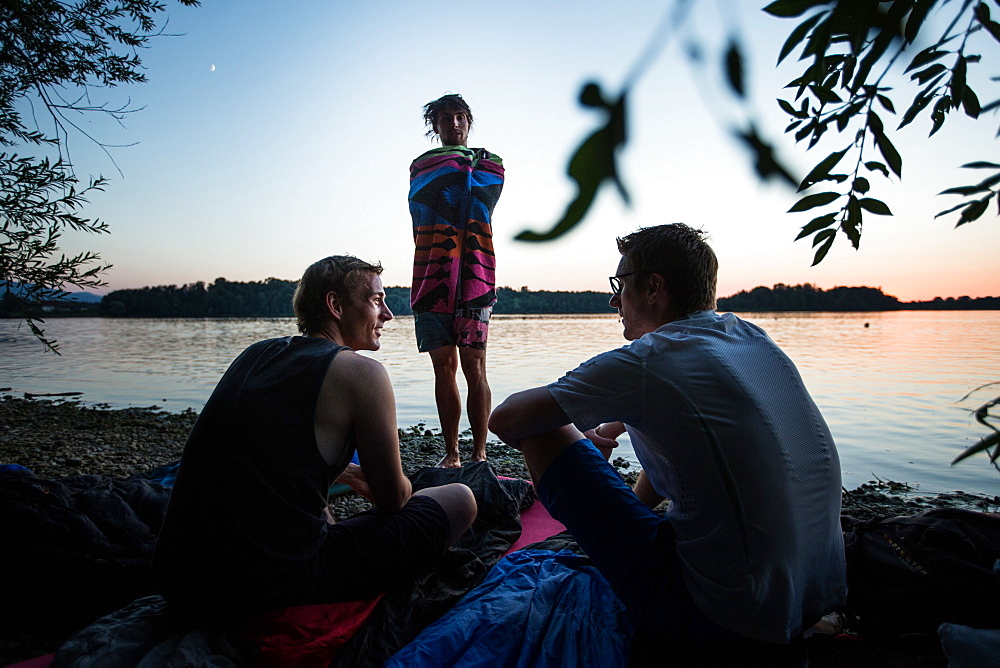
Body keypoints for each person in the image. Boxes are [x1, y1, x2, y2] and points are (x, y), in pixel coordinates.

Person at [489, 224, 846, 660]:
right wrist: (618, 423)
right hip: (814, 600)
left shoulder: (649, 359)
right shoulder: (748, 336)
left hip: (724, 621)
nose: (613, 300)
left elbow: (505, 419)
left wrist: (582, 435)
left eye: (620, 285)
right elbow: (690, 436)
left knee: (544, 429)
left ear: (654, 287)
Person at [153, 255, 477, 624]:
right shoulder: (362, 373)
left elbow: (265, 446)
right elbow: (391, 500)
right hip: (259, 589)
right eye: (376, 300)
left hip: (177, 578)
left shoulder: (257, 354)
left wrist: (347, 473)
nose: (388, 314)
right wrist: (404, 485)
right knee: (459, 498)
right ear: (335, 306)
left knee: (321, 504)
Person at [409, 93, 504, 468]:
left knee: (475, 367)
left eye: (460, 116)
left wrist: (461, 166)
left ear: (469, 122)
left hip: (475, 275)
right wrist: (456, 167)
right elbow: (423, 206)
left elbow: (482, 198)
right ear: (435, 126)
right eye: (445, 118)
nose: (454, 123)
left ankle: (479, 453)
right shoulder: (420, 166)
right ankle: (452, 452)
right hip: (431, 272)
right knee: (442, 366)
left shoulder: (490, 163)